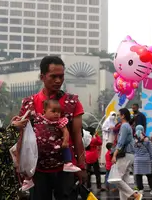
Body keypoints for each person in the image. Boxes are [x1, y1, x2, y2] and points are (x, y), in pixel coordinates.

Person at [19, 56, 86, 200]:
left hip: (66, 168)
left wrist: (82, 166)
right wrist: (20, 167)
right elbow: (22, 138)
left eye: (61, 76)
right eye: (53, 76)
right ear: (42, 76)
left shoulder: (72, 102)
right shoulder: (28, 103)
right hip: (37, 169)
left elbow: (77, 136)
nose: (58, 80)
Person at [22, 99, 81, 192]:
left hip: (56, 150)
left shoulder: (60, 122)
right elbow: (26, 122)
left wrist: (65, 141)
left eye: (58, 112)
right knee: (30, 163)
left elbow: (66, 132)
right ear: (44, 111)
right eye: (53, 111)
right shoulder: (38, 119)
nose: (56, 114)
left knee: (66, 148)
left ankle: (68, 163)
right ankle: (27, 180)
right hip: (39, 152)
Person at [111, 108, 142, 200]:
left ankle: (135, 195)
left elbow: (121, 142)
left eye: (119, 115)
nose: (118, 117)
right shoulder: (128, 126)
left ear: (123, 115)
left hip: (125, 155)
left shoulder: (124, 126)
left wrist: (114, 154)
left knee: (116, 179)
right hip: (130, 155)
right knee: (124, 180)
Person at [133, 125, 152, 195]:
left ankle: (140, 190)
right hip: (146, 160)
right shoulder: (147, 139)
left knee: (138, 176)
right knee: (149, 175)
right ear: (143, 130)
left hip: (137, 160)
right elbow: (151, 151)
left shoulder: (134, 139)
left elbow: (133, 150)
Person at [85, 127, 104, 191]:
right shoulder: (93, 140)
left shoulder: (86, 139)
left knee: (88, 172)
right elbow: (100, 143)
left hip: (87, 156)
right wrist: (97, 135)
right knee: (97, 172)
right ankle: (99, 186)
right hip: (94, 157)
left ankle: (88, 186)